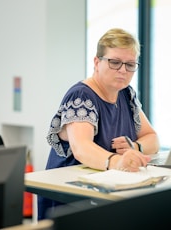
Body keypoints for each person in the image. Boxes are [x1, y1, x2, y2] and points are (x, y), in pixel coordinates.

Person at [37, 28, 160, 219]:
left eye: (130, 64)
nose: (122, 70)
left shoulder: (126, 94)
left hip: (106, 192)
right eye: (114, 62)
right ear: (97, 62)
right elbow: (82, 148)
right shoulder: (82, 95)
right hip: (69, 200)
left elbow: (152, 138)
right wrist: (118, 161)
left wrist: (134, 147)